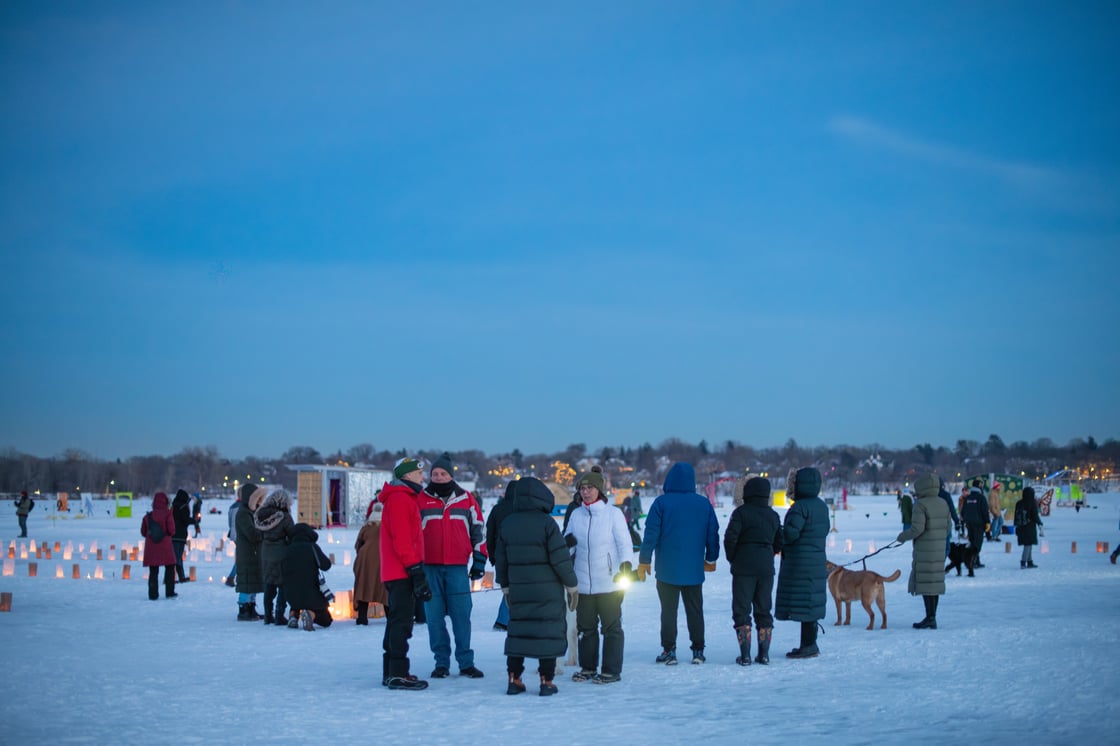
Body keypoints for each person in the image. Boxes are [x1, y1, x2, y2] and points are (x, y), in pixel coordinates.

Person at [494, 476, 579, 697]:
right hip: (547, 590)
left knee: (518, 633)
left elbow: (501, 559)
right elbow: (560, 559)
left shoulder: (508, 524)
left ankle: (514, 679)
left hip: (519, 588)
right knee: (547, 633)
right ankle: (546, 681)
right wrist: (571, 585)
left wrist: (505, 586)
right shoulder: (547, 524)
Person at [637, 461, 720, 665]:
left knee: (668, 611)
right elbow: (713, 534)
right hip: (693, 569)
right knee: (695, 610)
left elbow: (650, 534)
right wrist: (711, 558)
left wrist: (644, 560)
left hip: (667, 570)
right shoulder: (703, 504)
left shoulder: (661, 503)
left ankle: (669, 650)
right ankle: (698, 650)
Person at [418, 453, 487, 679]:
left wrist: (479, 561)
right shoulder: (420, 499)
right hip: (430, 568)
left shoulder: (466, 499)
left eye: (443, 473)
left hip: (458, 567)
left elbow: (479, 531)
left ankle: (466, 662)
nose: (438, 477)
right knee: (434, 618)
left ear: (451, 476)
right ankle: (441, 663)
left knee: (461, 617)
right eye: (435, 474)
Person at [563, 466, 633, 684]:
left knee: (611, 628)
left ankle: (611, 670)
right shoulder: (576, 514)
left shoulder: (613, 514)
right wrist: (567, 544)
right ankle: (588, 668)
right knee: (586, 629)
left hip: (609, 581)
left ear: (599, 490)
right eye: (582, 488)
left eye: (590, 488)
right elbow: (567, 544)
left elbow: (624, 543)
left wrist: (626, 565)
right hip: (583, 583)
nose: (586, 492)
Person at [379, 457, 433, 690]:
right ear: (407, 475)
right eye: (419, 473)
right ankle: (398, 674)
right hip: (401, 571)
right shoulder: (401, 499)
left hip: (398, 570)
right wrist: (415, 570)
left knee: (396, 622)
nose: (423, 477)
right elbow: (402, 541)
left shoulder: (404, 497)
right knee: (401, 624)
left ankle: (391, 671)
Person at [723, 476, 783, 665]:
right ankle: (764, 654)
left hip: (743, 567)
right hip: (766, 568)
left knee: (741, 610)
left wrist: (733, 557)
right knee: (764, 609)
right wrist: (768, 554)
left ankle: (746, 655)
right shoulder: (773, 515)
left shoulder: (740, 513)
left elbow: (730, 538)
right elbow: (779, 542)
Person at [774, 467, 830, 659]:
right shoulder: (821, 506)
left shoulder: (799, 507)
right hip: (816, 560)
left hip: (800, 562)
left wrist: (778, 533)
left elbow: (791, 534)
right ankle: (809, 643)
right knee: (811, 603)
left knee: (805, 603)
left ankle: (808, 645)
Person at [896, 472, 951, 629]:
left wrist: (902, 536)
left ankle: (930, 617)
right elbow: (948, 527)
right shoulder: (943, 502)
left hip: (925, 550)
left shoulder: (920, 505)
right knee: (934, 583)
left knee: (927, 583)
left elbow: (917, 529)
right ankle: (932, 617)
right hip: (939, 549)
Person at [283, 522, 335, 630]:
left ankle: (293, 615)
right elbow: (326, 565)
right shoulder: (312, 547)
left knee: (297, 601)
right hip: (312, 593)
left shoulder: (287, 549)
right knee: (326, 620)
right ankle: (310, 614)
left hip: (291, 595)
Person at [255, 489, 295, 625]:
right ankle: (279, 614)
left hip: (265, 553)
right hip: (281, 553)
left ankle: (267, 615)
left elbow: (258, 534)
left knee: (269, 584)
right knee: (282, 585)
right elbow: (292, 534)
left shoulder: (260, 515)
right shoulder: (285, 517)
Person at [486, 480, 519, 631]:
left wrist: (492, 556)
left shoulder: (497, 509)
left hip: (501, 555)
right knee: (515, 588)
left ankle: (504, 619)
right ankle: (503, 620)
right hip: (519, 555)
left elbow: (490, 533)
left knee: (509, 587)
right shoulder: (523, 508)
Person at [353, 501, 388, 625]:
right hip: (384, 559)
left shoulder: (366, 527)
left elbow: (358, 544)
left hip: (365, 559)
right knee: (384, 589)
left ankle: (362, 617)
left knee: (364, 586)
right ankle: (390, 616)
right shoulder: (387, 526)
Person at [235, 486, 266, 621]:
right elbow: (251, 534)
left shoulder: (251, 512)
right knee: (246, 581)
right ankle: (243, 609)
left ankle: (251, 608)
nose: (259, 501)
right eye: (257, 498)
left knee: (252, 581)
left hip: (253, 552)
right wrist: (265, 531)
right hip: (246, 552)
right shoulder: (243, 513)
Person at [141, 492, 178, 600]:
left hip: (151, 547)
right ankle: (169, 591)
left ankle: (153, 594)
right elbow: (172, 530)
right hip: (165, 546)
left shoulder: (147, 516)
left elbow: (143, 532)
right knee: (170, 568)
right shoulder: (168, 514)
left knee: (153, 571)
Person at [960, 480, 989, 574]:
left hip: (969, 524)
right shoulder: (981, 498)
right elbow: (985, 511)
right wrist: (987, 522)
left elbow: (963, 511)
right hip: (979, 524)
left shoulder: (968, 498)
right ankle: (973, 561)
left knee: (972, 542)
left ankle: (975, 560)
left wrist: (965, 521)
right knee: (977, 544)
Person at [1014, 486, 1043, 569]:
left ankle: (1030, 561)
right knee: (1028, 544)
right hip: (1029, 526)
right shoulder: (1032, 502)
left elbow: (1016, 515)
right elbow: (1034, 515)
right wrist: (1039, 523)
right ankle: (1023, 561)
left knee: (1028, 544)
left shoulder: (1019, 503)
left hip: (1020, 526)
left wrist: (1016, 525)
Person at [225, 486, 246, 587]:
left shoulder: (232, 506)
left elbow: (229, 522)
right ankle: (231, 577)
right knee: (243, 557)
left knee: (242, 556)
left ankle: (234, 577)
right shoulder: (244, 506)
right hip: (241, 535)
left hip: (234, 534)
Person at [171, 489, 192, 583]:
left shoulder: (174, 506)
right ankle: (172, 577)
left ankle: (180, 576)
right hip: (180, 535)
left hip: (174, 534)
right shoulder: (182, 507)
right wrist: (194, 521)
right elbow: (185, 519)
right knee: (177, 557)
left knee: (177, 556)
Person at [938, 478, 962, 558]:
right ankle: (940, 565)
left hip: (930, 525)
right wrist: (956, 521)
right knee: (946, 548)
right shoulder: (945, 495)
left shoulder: (927, 496)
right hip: (945, 524)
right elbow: (951, 509)